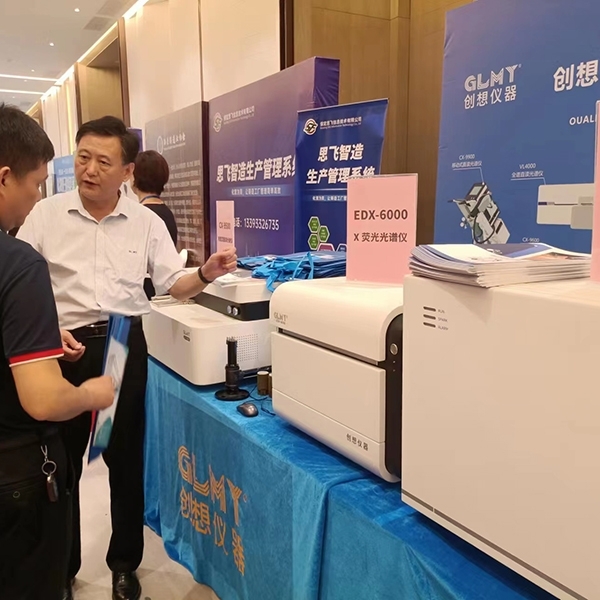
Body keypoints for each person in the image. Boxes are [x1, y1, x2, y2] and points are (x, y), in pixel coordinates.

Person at [17, 115, 236, 600]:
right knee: (62, 462)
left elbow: (172, 284)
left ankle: (123, 565)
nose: (90, 170)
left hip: (120, 346)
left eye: (103, 161)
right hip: (62, 348)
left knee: (123, 459)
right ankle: (63, 567)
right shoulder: (46, 215)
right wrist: (47, 330)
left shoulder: (146, 223)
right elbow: (19, 281)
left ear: (127, 171)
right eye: (83, 158)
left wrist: (205, 272)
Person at [0, 104, 115, 600]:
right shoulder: (20, 263)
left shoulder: (144, 221)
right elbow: (43, 399)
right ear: (5, 177)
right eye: (34, 184)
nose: (36, 197)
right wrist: (91, 393)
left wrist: (42, 336)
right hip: (17, 475)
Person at [131, 150, 178, 299]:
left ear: (134, 177)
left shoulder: (141, 216)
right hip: (163, 291)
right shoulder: (167, 213)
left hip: (145, 293)